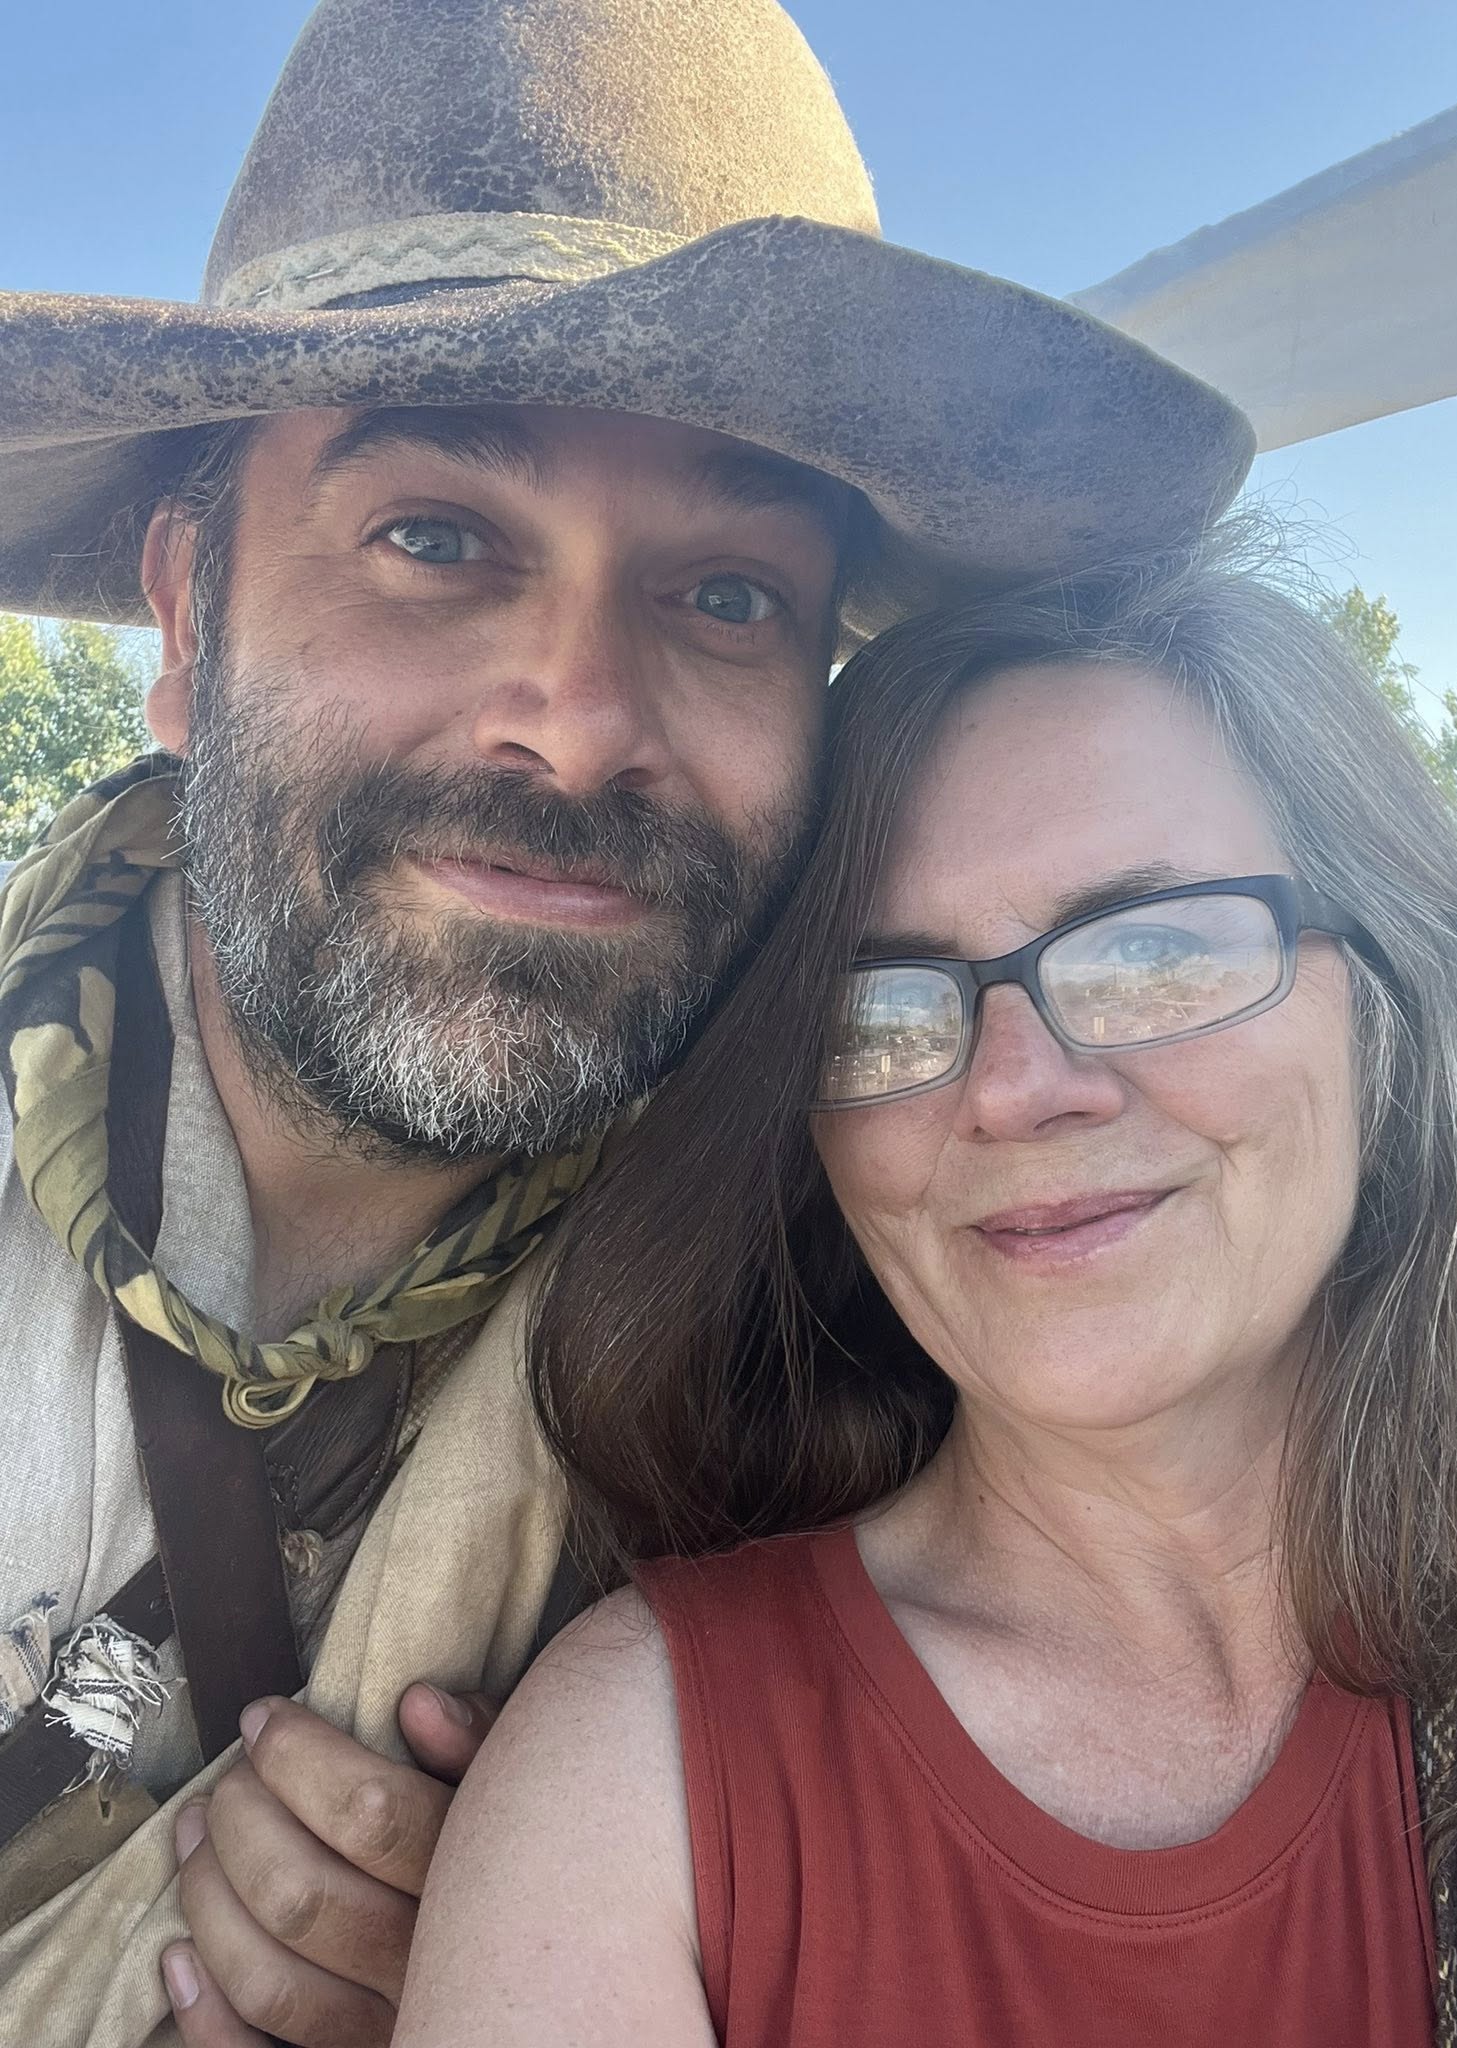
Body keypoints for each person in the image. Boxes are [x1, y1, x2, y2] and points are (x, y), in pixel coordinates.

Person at [0, 1, 1253, 2041]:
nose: (578, 724)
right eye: (434, 540)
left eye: (728, 593)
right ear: (188, 614)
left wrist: (550, 1931)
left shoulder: (882, 1306)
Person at [397, 532, 1457, 2045]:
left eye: (1151, 949)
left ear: (1390, 994)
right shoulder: (642, 1784)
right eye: (881, 1007)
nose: (1013, 1089)